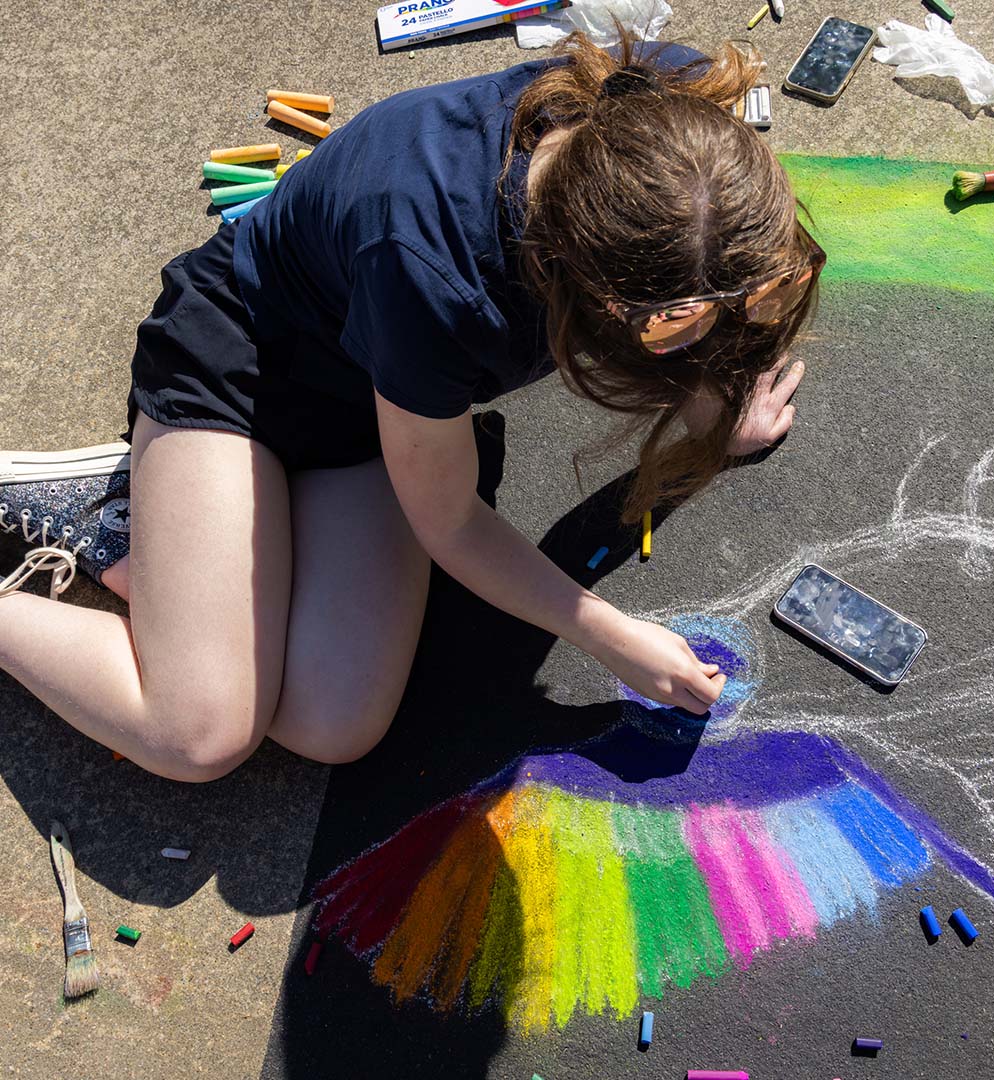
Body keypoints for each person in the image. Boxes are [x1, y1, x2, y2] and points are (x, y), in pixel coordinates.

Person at [0, 31, 822, 782]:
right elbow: (452, 523)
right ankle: (132, 509)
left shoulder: (669, 116)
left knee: (331, 724)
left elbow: (712, 270)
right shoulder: (439, 278)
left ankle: (147, 540)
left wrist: (723, 400)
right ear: (584, 289)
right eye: (677, 330)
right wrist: (614, 636)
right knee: (199, 734)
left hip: (378, 408)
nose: (705, 340)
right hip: (245, 376)